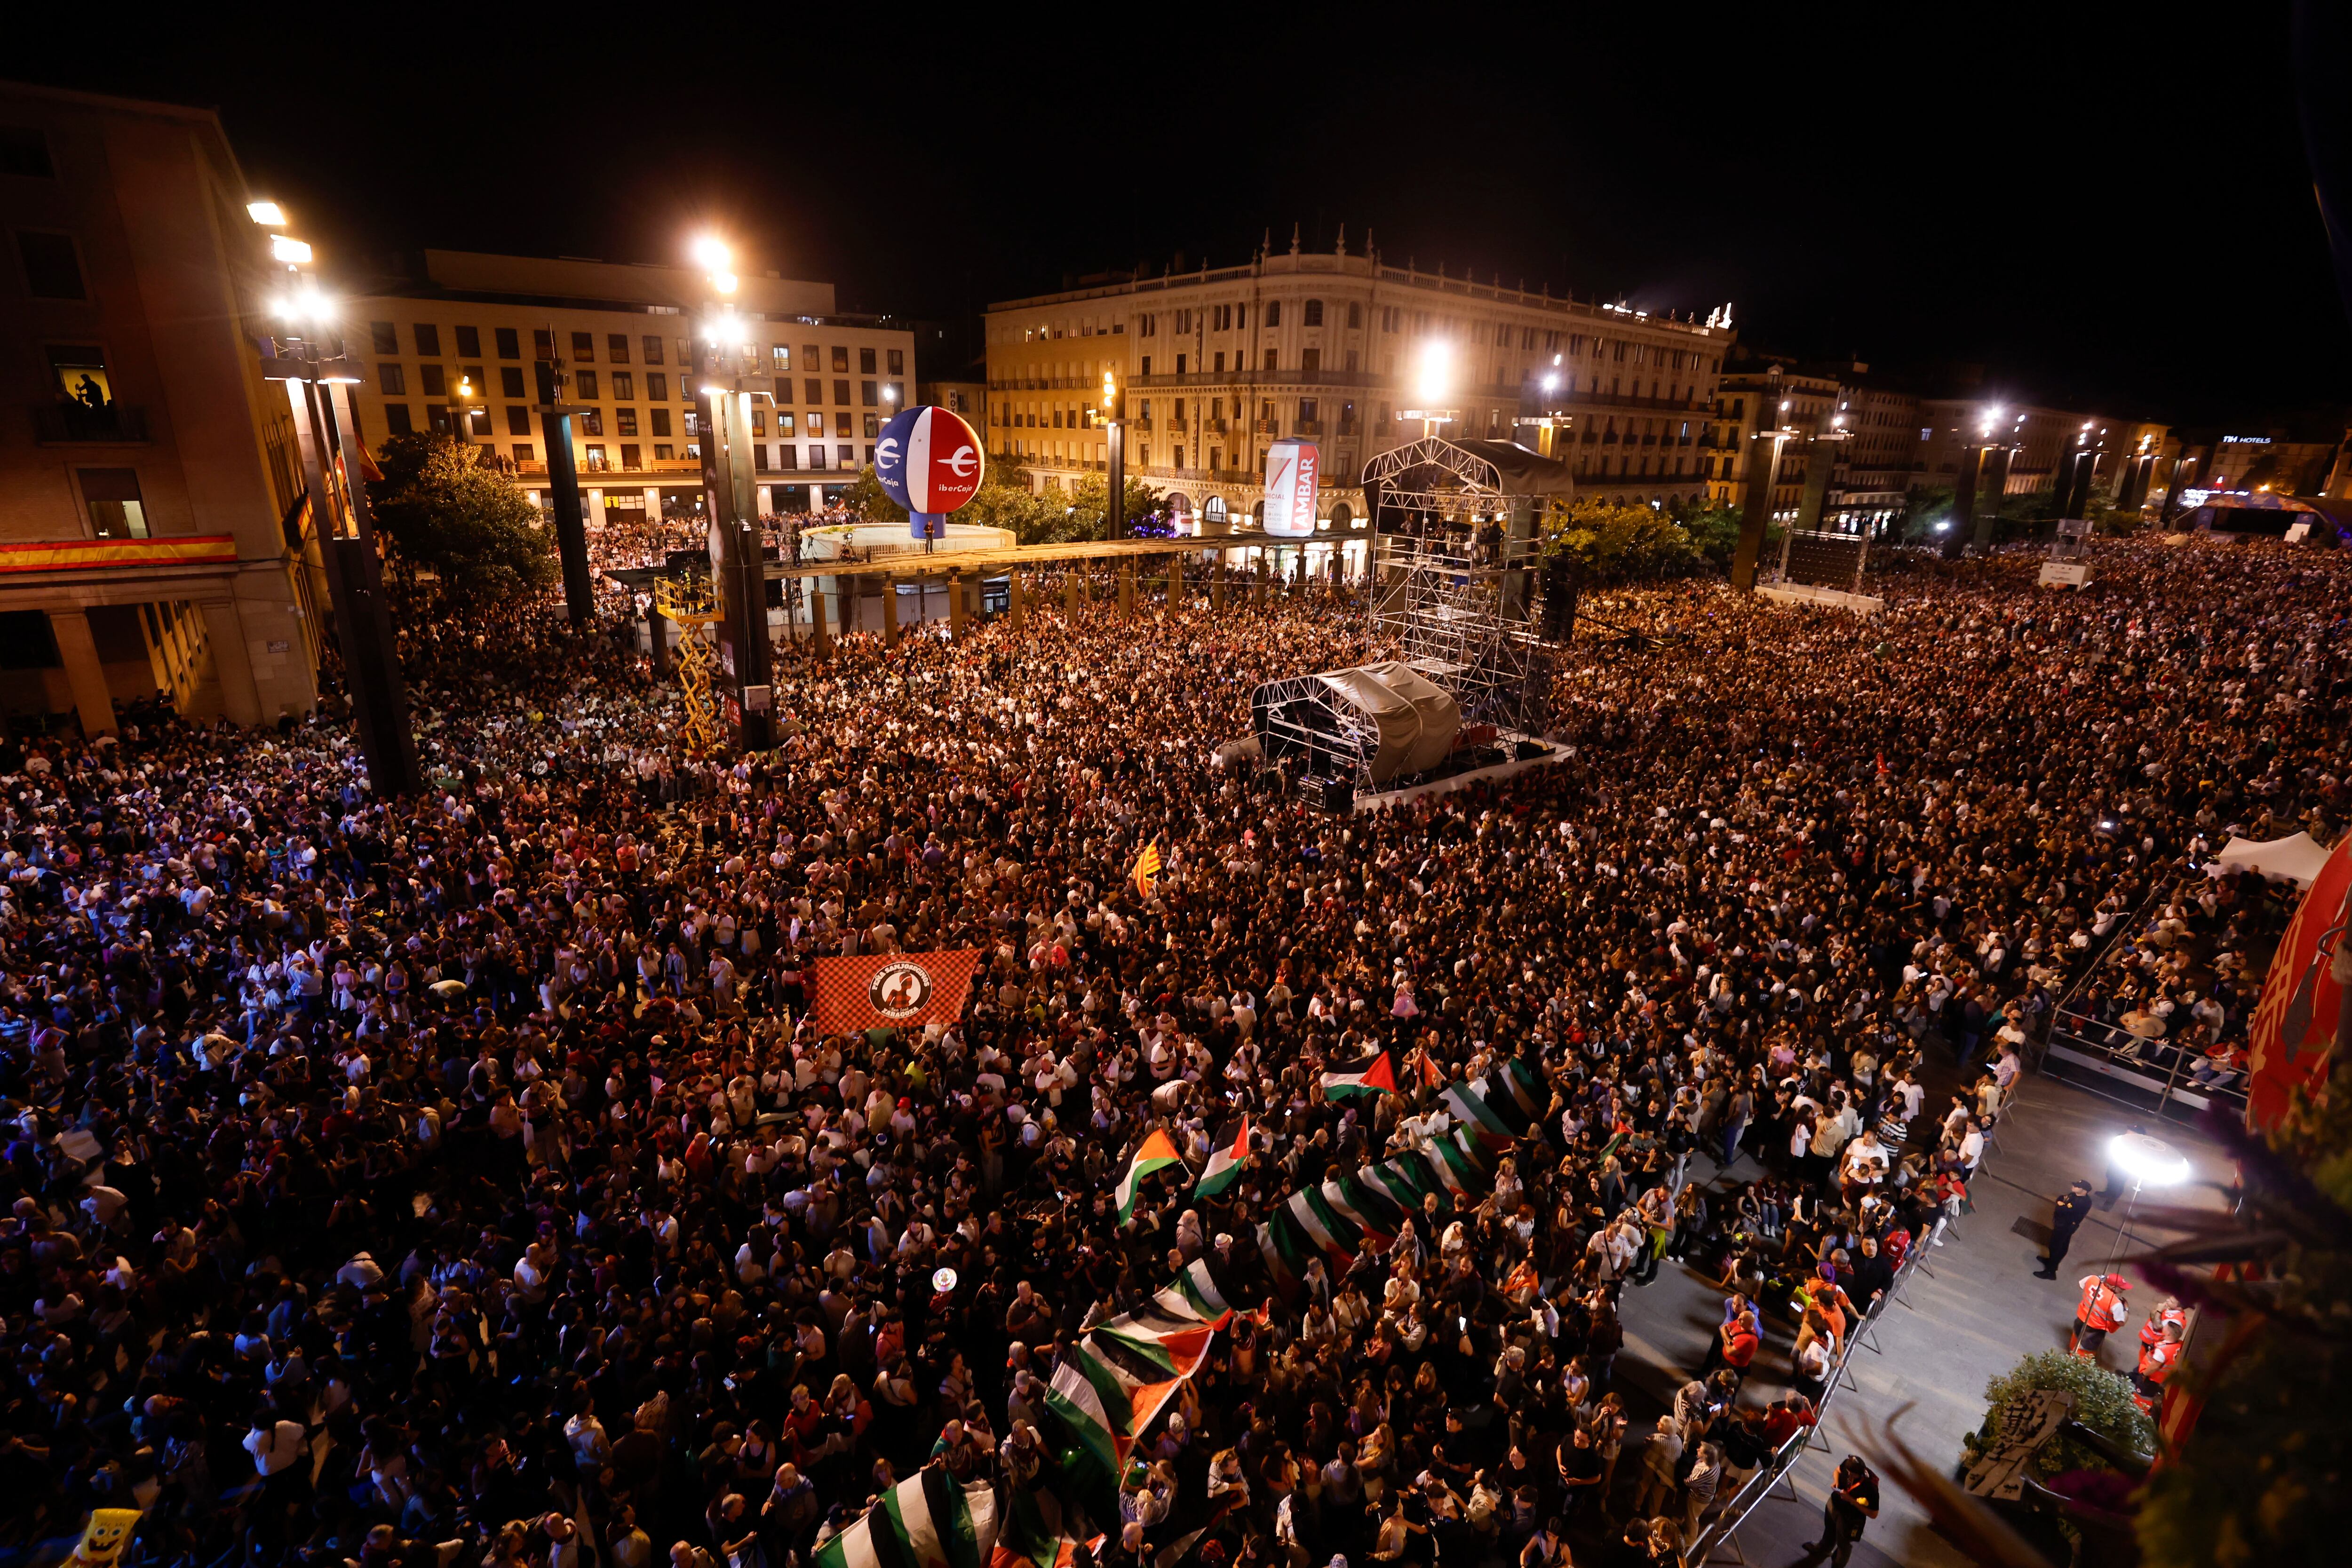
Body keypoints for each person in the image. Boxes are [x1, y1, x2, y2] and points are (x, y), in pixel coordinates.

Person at [1801, 1455, 1879, 1567]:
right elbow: (1837, 1471)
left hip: (1849, 1518)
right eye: (1848, 1472)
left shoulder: (1870, 1488)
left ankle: (1837, 1565)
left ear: (1860, 1474)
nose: (1849, 1476)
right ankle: (1824, 1549)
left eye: (1852, 1475)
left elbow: (1874, 1514)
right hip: (1834, 1505)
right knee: (1829, 1530)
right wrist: (1836, 1482)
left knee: (1844, 1545)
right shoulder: (1847, 1464)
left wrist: (1851, 1500)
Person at [2036, 1180, 2094, 1279]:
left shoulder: (2082, 1203)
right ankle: (2051, 1262)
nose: (2074, 1187)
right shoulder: (2074, 1195)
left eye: (2077, 1186)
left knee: (2056, 1247)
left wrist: (2060, 1205)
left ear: (2084, 1190)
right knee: (2060, 1246)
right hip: (2063, 1225)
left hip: (2065, 1227)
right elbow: (2061, 1198)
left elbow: (2063, 1210)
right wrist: (2060, 1203)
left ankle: (2050, 1272)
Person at [2071, 1272, 2131, 1359]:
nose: (2123, 1290)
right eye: (2121, 1288)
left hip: (2082, 1317)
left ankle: (2071, 1351)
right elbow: (2121, 1322)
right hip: (2095, 1329)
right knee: (2085, 1351)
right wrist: (2126, 1310)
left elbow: (2082, 1285)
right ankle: (2075, 1364)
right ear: (2113, 1288)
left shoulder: (2092, 1279)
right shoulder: (2115, 1304)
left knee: (2077, 1336)